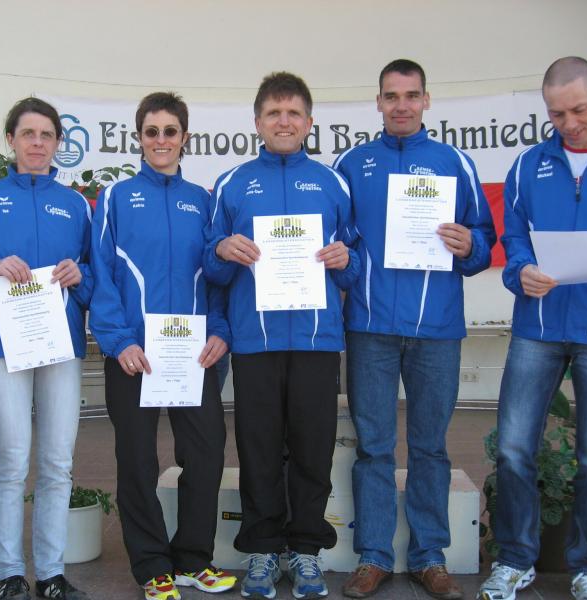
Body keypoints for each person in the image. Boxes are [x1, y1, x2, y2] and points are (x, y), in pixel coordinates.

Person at [333, 59, 496, 599]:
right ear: (377, 102)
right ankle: (374, 555)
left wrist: (470, 245)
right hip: (370, 328)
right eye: (391, 96)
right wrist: (347, 272)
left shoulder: (455, 162)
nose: (401, 105)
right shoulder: (351, 164)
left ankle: (430, 556)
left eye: (410, 95)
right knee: (374, 448)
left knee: (430, 447)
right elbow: (340, 243)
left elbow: (483, 241)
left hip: (437, 330)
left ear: (427, 100)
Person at [204, 71, 358, 600]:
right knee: (259, 450)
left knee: (314, 449)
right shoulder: (232, 183)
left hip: (317, 340)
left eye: (293, 113)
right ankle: (264, 550)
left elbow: (356, 260)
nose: (284, 122)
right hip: (255, 341)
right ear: (257, 122)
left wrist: (347, 259)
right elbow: (210, 265)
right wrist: (221, 250)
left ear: (310, 122)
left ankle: (307, 550)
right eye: (274, 113)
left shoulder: (334, 183)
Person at [477, 57, 587, 600]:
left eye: (579, 109)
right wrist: (519, 271)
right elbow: (513, 238)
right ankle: (514, 560)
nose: (570, 123)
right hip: (537, 328)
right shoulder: (528, 165)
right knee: (514, 449)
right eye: (557, 114)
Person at [0, 97, 92, 600]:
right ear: (10, 140)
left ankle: (51, 573)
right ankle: (9, 573)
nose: (37, 143)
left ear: (58, 143)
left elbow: (97, 278)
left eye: (47, 135)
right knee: (11, 457)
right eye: (28, 133)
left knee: (57, 461)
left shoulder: (75, 205)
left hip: (59, 346)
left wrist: (80, 274)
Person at [89, 91, 236, 600]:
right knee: (137, 462)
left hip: (193, 353)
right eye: (151, 132)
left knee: (207, 453)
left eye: (170, 131)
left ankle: (193, 559)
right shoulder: (115, 197)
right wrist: (118, 341)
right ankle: (153, 566)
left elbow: (216, 276)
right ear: (139, 138)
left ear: (184, 137)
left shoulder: (203, 200)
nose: (161, 140)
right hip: (134, 355)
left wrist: (220, 330)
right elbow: (102, 274)